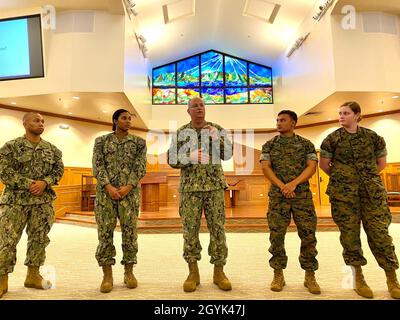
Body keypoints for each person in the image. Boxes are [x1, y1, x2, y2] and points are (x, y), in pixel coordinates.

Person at [320, 101, 400, 299]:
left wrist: (365, 177)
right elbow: (324, 166)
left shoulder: (373, 138)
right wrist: (344, 178)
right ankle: (359, 278)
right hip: (343, 196)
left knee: (381, 235)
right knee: (350, 238)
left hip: (371, 195)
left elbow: (381, 164)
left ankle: (392, 279)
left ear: (357, 115)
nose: (341, 116)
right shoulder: (332, 139)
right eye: (339, 113)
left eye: (345, 113)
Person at [168, 97, 233, 292]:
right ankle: (192, 272)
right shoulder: (181, 132)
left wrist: (216, 139)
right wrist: (189, 157)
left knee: (218, 230)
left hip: (214, 187)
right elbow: (171, 159)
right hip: (190, 189)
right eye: (195, 106)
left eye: (202, 105)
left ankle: (219, 271)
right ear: (188, 111)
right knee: (190, 231)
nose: (199, 109)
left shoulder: (216, 128)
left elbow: (228, 154)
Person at [0, 112, 64, 299]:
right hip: (15, 202)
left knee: (39, 240)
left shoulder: (52, 149)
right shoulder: (11, 147)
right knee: (7, 240)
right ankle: (2, 278)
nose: (41, 123)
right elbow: (4, 172)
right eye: (36, 120)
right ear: (25, 123)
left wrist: (45, 182)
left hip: (42, 203)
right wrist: (29, 184)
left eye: (43, 121)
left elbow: (58, 171)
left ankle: (33, 275)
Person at [260, 110, 321, 294]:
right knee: (276, 236)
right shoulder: (269, 145)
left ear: (293, 123)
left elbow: (312, 167)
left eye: (283, 120)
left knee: (308, 236)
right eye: (277, 120)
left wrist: (293, 184)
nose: (278, 123)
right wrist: (282, 186)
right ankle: (278, 274)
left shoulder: (306, 144)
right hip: (278, 197)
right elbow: (265, 167)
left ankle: (310, 275)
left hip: (301, 196)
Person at [92, 109, 147, 293]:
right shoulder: (101, 141)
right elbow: (97, 165)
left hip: (129, 195)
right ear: (115, 120)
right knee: (105, 233)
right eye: (124, 118)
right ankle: (107, 275)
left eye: (130, 118)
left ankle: (129, 272)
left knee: (130, 233)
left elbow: (140, 167)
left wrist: (128, 187)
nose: (128, 121)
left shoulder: (139, 142)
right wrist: (108, 186)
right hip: (105, 195)